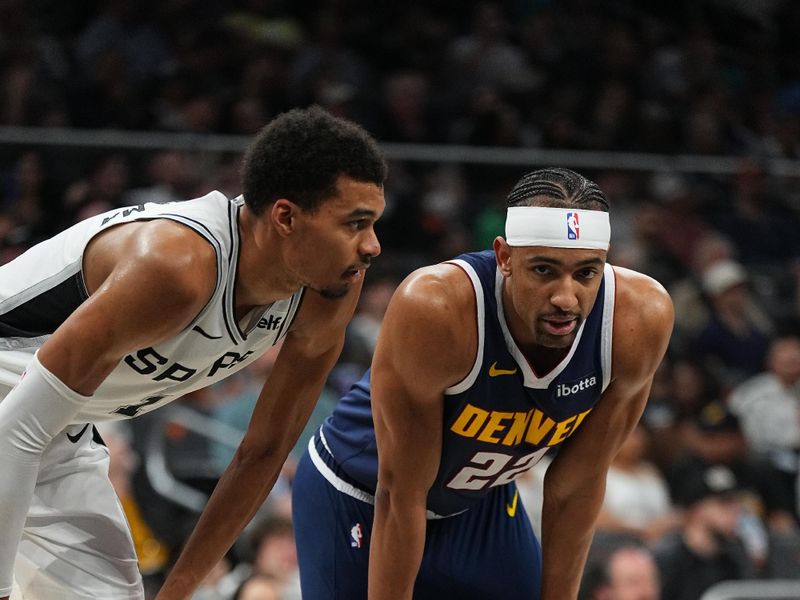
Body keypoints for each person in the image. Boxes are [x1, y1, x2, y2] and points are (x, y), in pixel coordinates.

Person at [0, 105, 387, 600]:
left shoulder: (326, 291)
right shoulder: (175, 267)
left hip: (54, 429)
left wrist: (180, 590)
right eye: (354, 224)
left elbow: (262, 453)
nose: (372, 246)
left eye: (373, 223)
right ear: (286, 217)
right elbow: (15, 429)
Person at [292, 167, 674, 599]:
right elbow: (400, 494)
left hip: (481, 502)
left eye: (586, 273)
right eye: (545, 270)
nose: (566, 298)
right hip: (361, 492)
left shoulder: (638, 320)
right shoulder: (437, 308)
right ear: (505, 257)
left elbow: (577, 485)